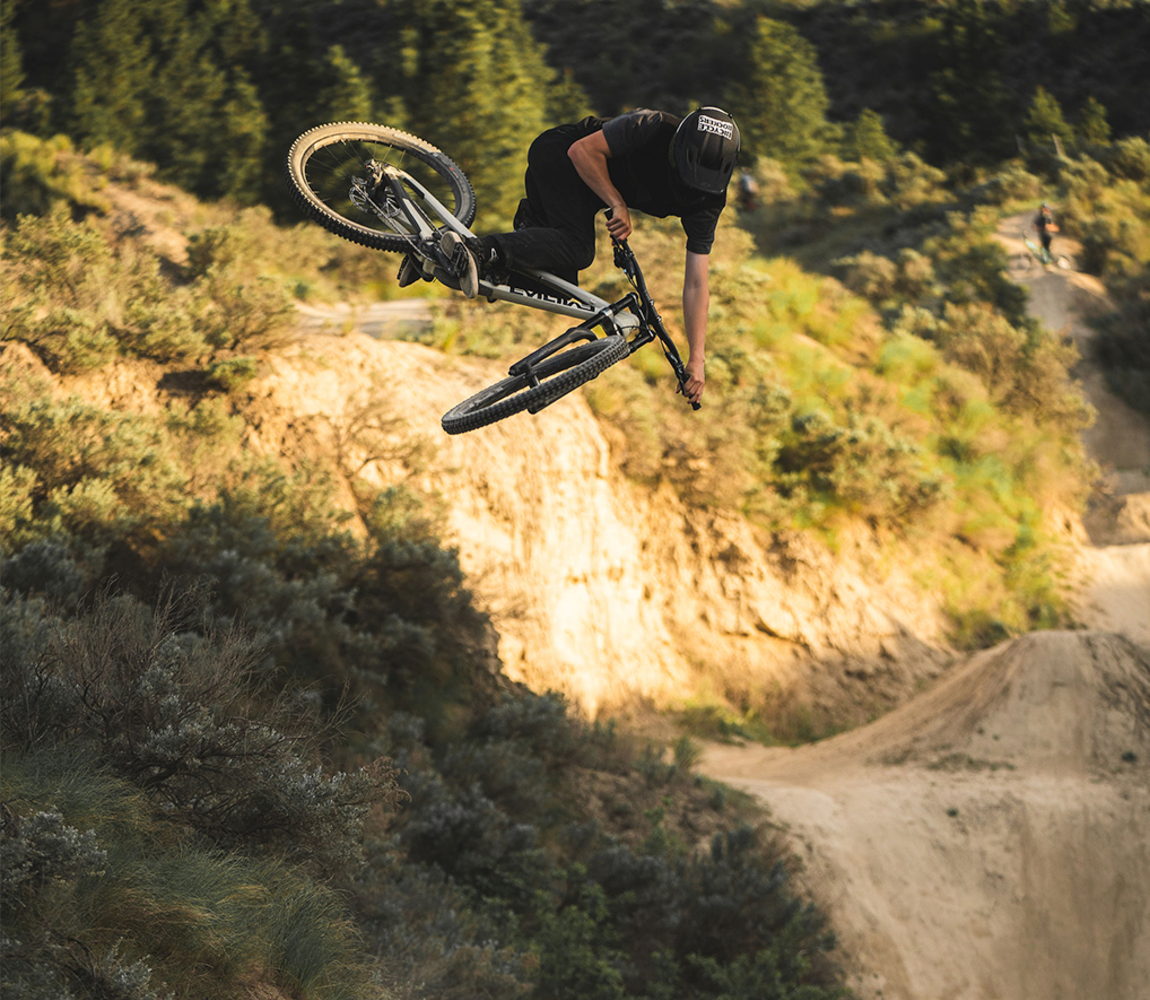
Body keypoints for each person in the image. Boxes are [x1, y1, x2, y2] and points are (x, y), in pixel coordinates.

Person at [439, 107, 741, 405]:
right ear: (678, 147)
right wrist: (616, 203)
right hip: (560, 154)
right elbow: (581, 152)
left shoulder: (708, 200)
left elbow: (697, 283)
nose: (688, 188)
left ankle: (442, 260)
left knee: (556, 285)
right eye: (685, 175)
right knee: (577, 249)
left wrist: (697, 358)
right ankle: (480, 250)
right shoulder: (651, 126)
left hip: (582, 195)